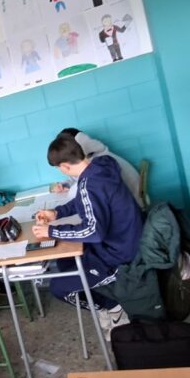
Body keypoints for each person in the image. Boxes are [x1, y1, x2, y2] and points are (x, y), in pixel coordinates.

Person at [32, 135, 143, 339]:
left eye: (59, 168)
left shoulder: (88, 185)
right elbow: (83, 202)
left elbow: (93, 232)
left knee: (59, 288)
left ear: (65, 166)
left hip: (120, 257)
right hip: (123, 241)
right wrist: (56, 213)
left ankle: (113, 307)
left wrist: (51, 231)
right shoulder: (101, 166)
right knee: (65, 260)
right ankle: (106, 300)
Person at [50, 127, 143, 209]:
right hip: (133, 206)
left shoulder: (99, 164)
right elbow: (76, 179)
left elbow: (81, 195)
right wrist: (64, 185)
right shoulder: (96, 156)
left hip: (134, 208)